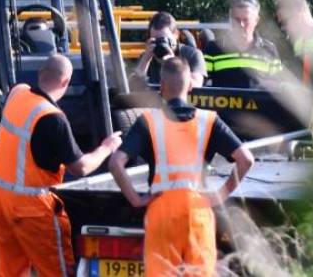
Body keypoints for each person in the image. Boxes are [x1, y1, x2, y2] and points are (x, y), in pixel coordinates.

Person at [109, 56, 255, 276]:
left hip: (161, 209)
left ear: (162, 85)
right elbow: (246, 159)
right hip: (197, 210)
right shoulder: (209, 120)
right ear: (190, 85)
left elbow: (115, 163)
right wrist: (220, 195)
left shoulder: (148, 121)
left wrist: (136, 198)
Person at [0, 55, 123, 277]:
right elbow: (80, 168)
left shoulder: (18, 93)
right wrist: (107, 147)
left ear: (40, 74)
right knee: (56, 272)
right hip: (31, 210)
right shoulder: (53, 118)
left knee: (10, 271)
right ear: (65, 83)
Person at [203, 0, 283, 88]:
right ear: (230, 21)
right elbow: (202, 85)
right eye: (236, 20)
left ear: (256, 20)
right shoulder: (213, 48)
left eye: (246, 20)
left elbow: (278, 88)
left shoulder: (269, 50)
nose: (241, 24)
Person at [134, 11, 207, 87]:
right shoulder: (147, 56)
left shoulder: (192, 55)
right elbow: (132, 88)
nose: (160, 44)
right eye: (156, 40)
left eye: (164, 39)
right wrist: (145, 60)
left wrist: (174, 66)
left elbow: (197, 86)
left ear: (176, 34)